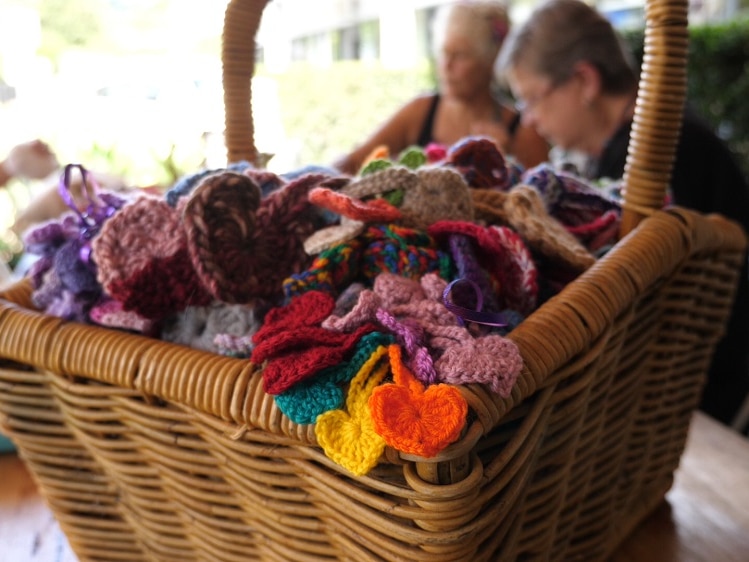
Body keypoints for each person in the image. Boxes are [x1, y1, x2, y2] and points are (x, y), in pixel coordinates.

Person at [497, 0, 749, 426]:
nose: (531, 120)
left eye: (532, 99)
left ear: (584, 81)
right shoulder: (615, 157)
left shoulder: (662, 155)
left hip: (720, 403)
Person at [332, 0, 549, 175]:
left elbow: (543, 207)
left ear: (489, 62)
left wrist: (506, 164)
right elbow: (352, 163)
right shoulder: (420, 111)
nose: (446, 66)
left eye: (460, 55)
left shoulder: (524, 131)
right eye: (444, 53)